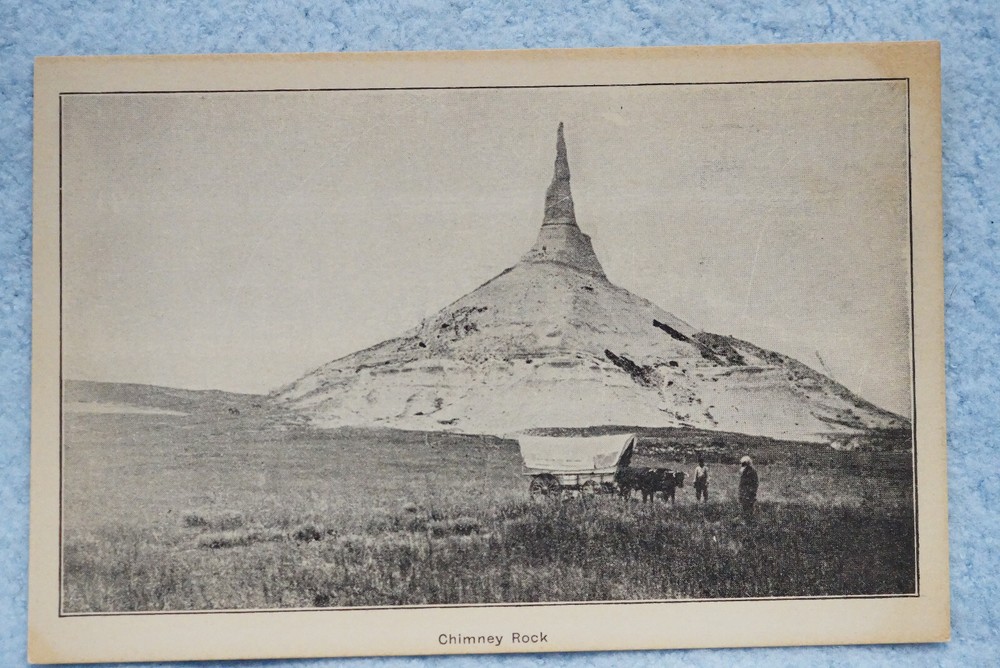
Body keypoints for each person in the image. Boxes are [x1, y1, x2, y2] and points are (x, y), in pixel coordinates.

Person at [738, 455, 759, 521]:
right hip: (744, 492)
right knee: (744, 506)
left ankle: (750, 520)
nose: (742, 465)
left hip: (749, 493)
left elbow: (755, 483)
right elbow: (741, 483)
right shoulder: (744, 471)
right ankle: (746, 519)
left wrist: (752, 492)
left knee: (749, 506)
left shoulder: (752, 471)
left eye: (744, 463)